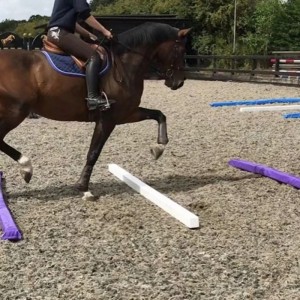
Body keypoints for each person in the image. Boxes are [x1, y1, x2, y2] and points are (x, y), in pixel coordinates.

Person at [47, 0, 114, 111]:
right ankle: (93, 98)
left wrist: (88, 34)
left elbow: (72, 23)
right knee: (94, 57)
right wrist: (104, 31)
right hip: (61, 33)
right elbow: (85, 15)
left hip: (57, 32)